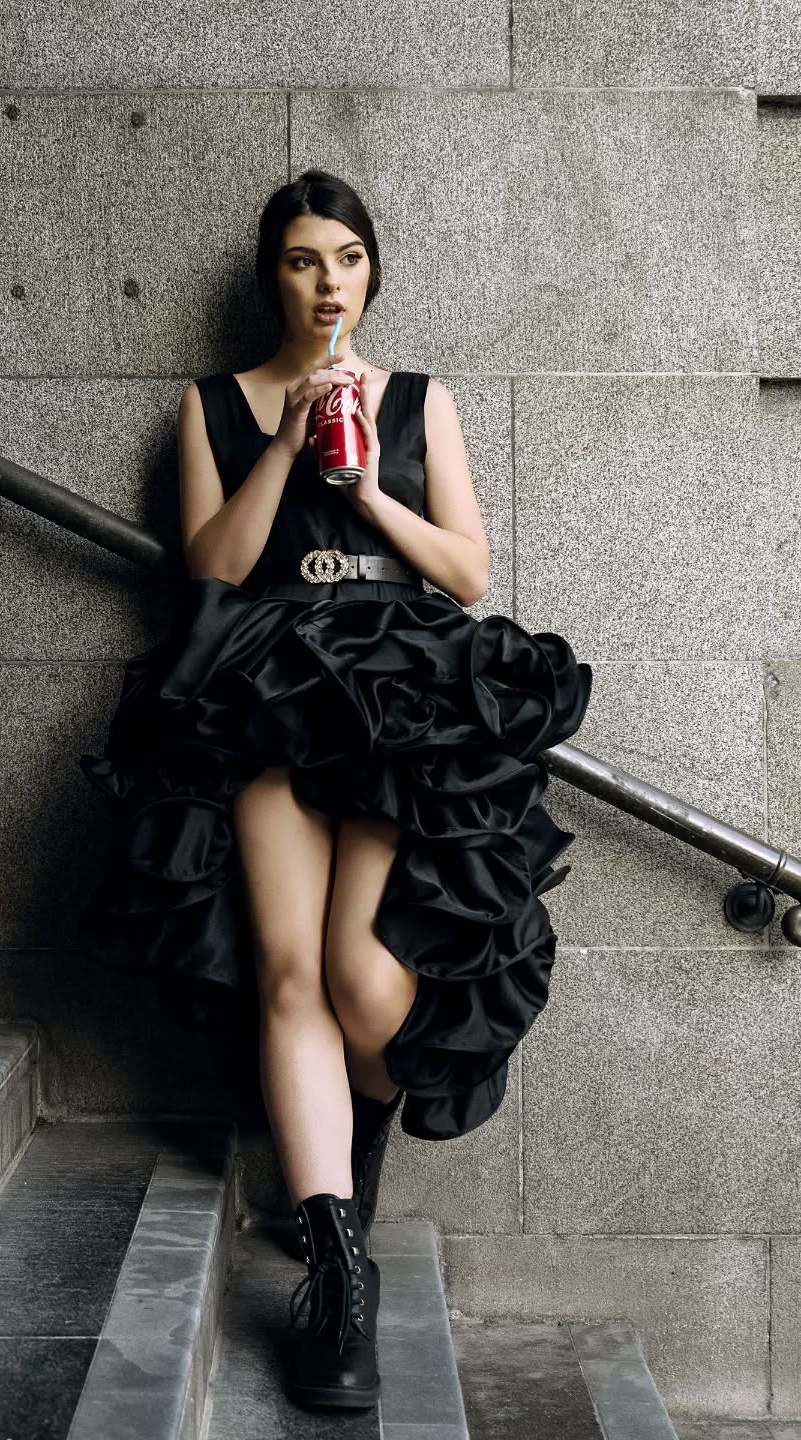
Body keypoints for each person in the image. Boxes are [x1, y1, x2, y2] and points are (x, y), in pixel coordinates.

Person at [75, 170, 593, 1412]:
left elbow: (466, 571)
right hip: (264, 681)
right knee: (292, 970)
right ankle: (334, 1265)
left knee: (367, 984)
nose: (326, 283)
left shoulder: (420, 400)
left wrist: (368, 488)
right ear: (275, 275)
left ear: (370, 273)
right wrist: (296, 441)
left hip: (401, 689)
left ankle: (351, 1135)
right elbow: (214, 566)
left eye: (347, 259)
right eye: (304, 260)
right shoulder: (212, 406)